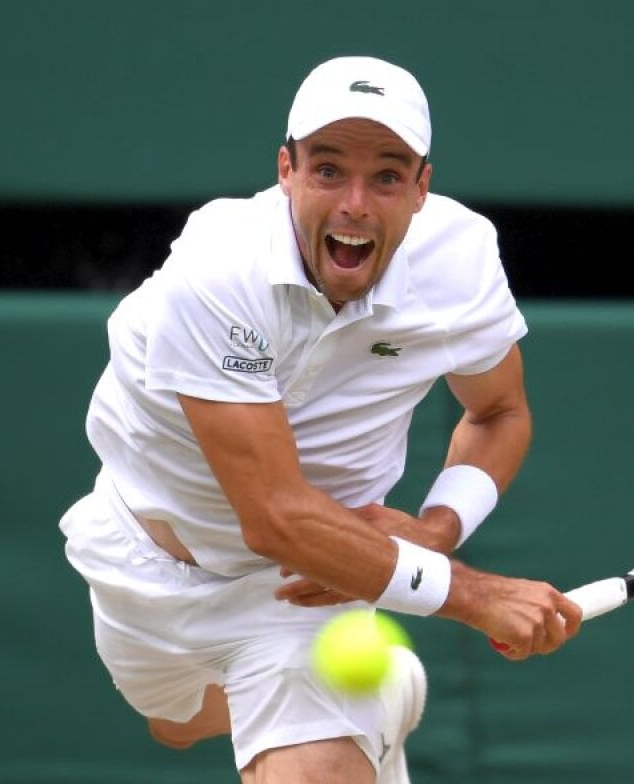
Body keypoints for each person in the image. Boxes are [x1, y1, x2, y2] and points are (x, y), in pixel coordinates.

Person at [59, 55, 582, 783]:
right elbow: (273, 514)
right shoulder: (219, 271)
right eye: (329, 170)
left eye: (388, 176)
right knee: (175, 726)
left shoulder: (458, 263)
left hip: (313, 579)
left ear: (423, 188)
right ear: (286, 171)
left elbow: (499, 412)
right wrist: (474, 594)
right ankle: (387, 689)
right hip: (140, 558)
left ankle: (345, 718)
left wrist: (433, 531)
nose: (356, 204)